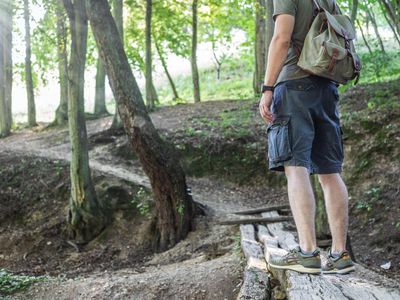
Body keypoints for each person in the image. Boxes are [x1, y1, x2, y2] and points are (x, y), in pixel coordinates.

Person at [259, 0, 355, 274]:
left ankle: (308, 252)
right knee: (330, 171)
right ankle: (340, 254)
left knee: (296, 167)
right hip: (326, 86)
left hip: (293, 85)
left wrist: (267, 87)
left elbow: (281, 38)